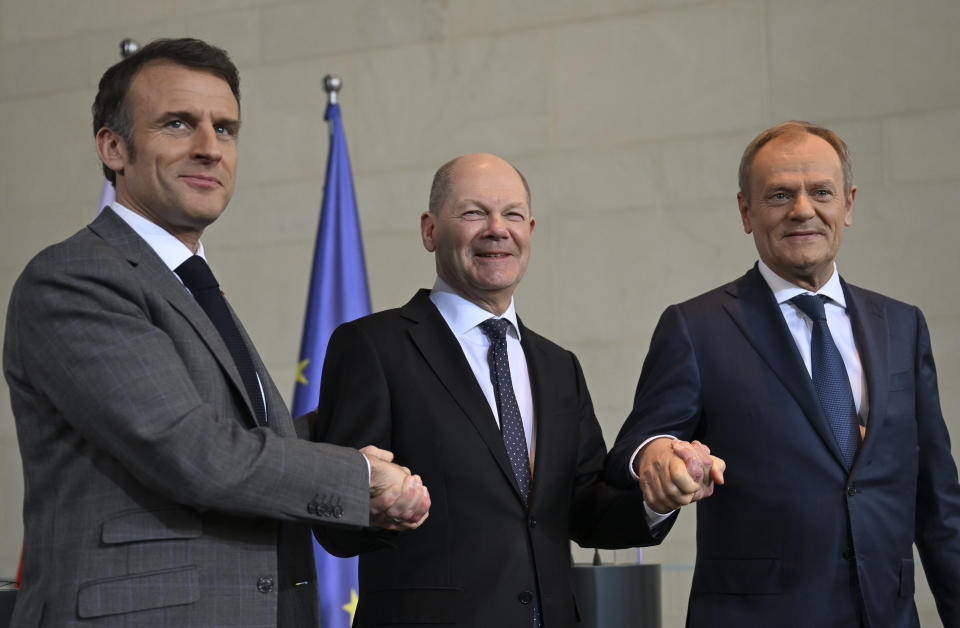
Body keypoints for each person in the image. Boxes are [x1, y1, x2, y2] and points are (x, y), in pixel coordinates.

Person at [3, 38, 429, 627]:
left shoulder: (190, 284)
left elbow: (241, 439)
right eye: (178, 124)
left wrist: (384, 425)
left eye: (225, 129)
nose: (209, 148)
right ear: (113, 147)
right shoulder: (76, 277)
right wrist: (359, 477)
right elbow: (192, 452)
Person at [303, 152, 719, 627]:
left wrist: (656, 498)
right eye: (474, 212)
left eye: (513, 214)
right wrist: (373, 506)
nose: (497, 228)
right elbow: (335, 516)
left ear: (531, 231)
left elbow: (586, 512)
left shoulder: (559, 367)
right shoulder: (373, 347)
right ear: (430, 230)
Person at [606, 120, 960, 627]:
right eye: (778, 195)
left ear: (849, 204)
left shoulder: (902, 326)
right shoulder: (696, 327)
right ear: (746, 211)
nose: (802, 210)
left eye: (821, 192)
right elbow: (637, 445)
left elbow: (939, 501)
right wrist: (659, 456)